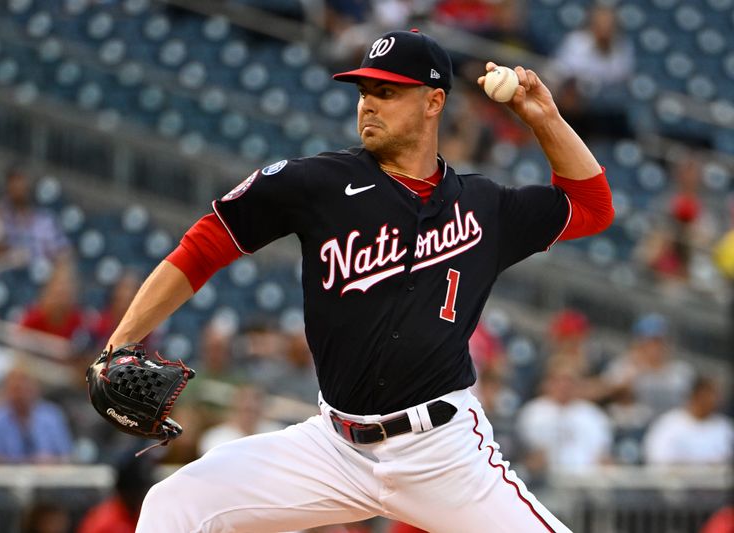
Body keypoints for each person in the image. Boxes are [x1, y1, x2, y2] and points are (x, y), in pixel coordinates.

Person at [100, 29, 613, 532]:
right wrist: (122, 341)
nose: (368, 104)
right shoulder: (316, 183)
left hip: (441, 454)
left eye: (387, 92)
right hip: (334, 447)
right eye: (365, 91)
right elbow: (205, 244)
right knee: (176, 502)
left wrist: (544, 118)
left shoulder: (484, 206)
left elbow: (593, 207)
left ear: (434, 101)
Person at [0, 366, 73, 463]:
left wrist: (51, 461)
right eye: (16, 389)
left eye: (26, 387)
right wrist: (26, 462)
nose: (21, 394)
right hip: (3, 478)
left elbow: (67, 456)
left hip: (49, 477)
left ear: (37, 388)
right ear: (6, 390)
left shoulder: (52, 415)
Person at [642, 375, 733, 465]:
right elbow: (657, 460)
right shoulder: (668, 424)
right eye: (709, 394)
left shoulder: (724, 426)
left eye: (716, 395)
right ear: (695, 395)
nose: (714, 399)